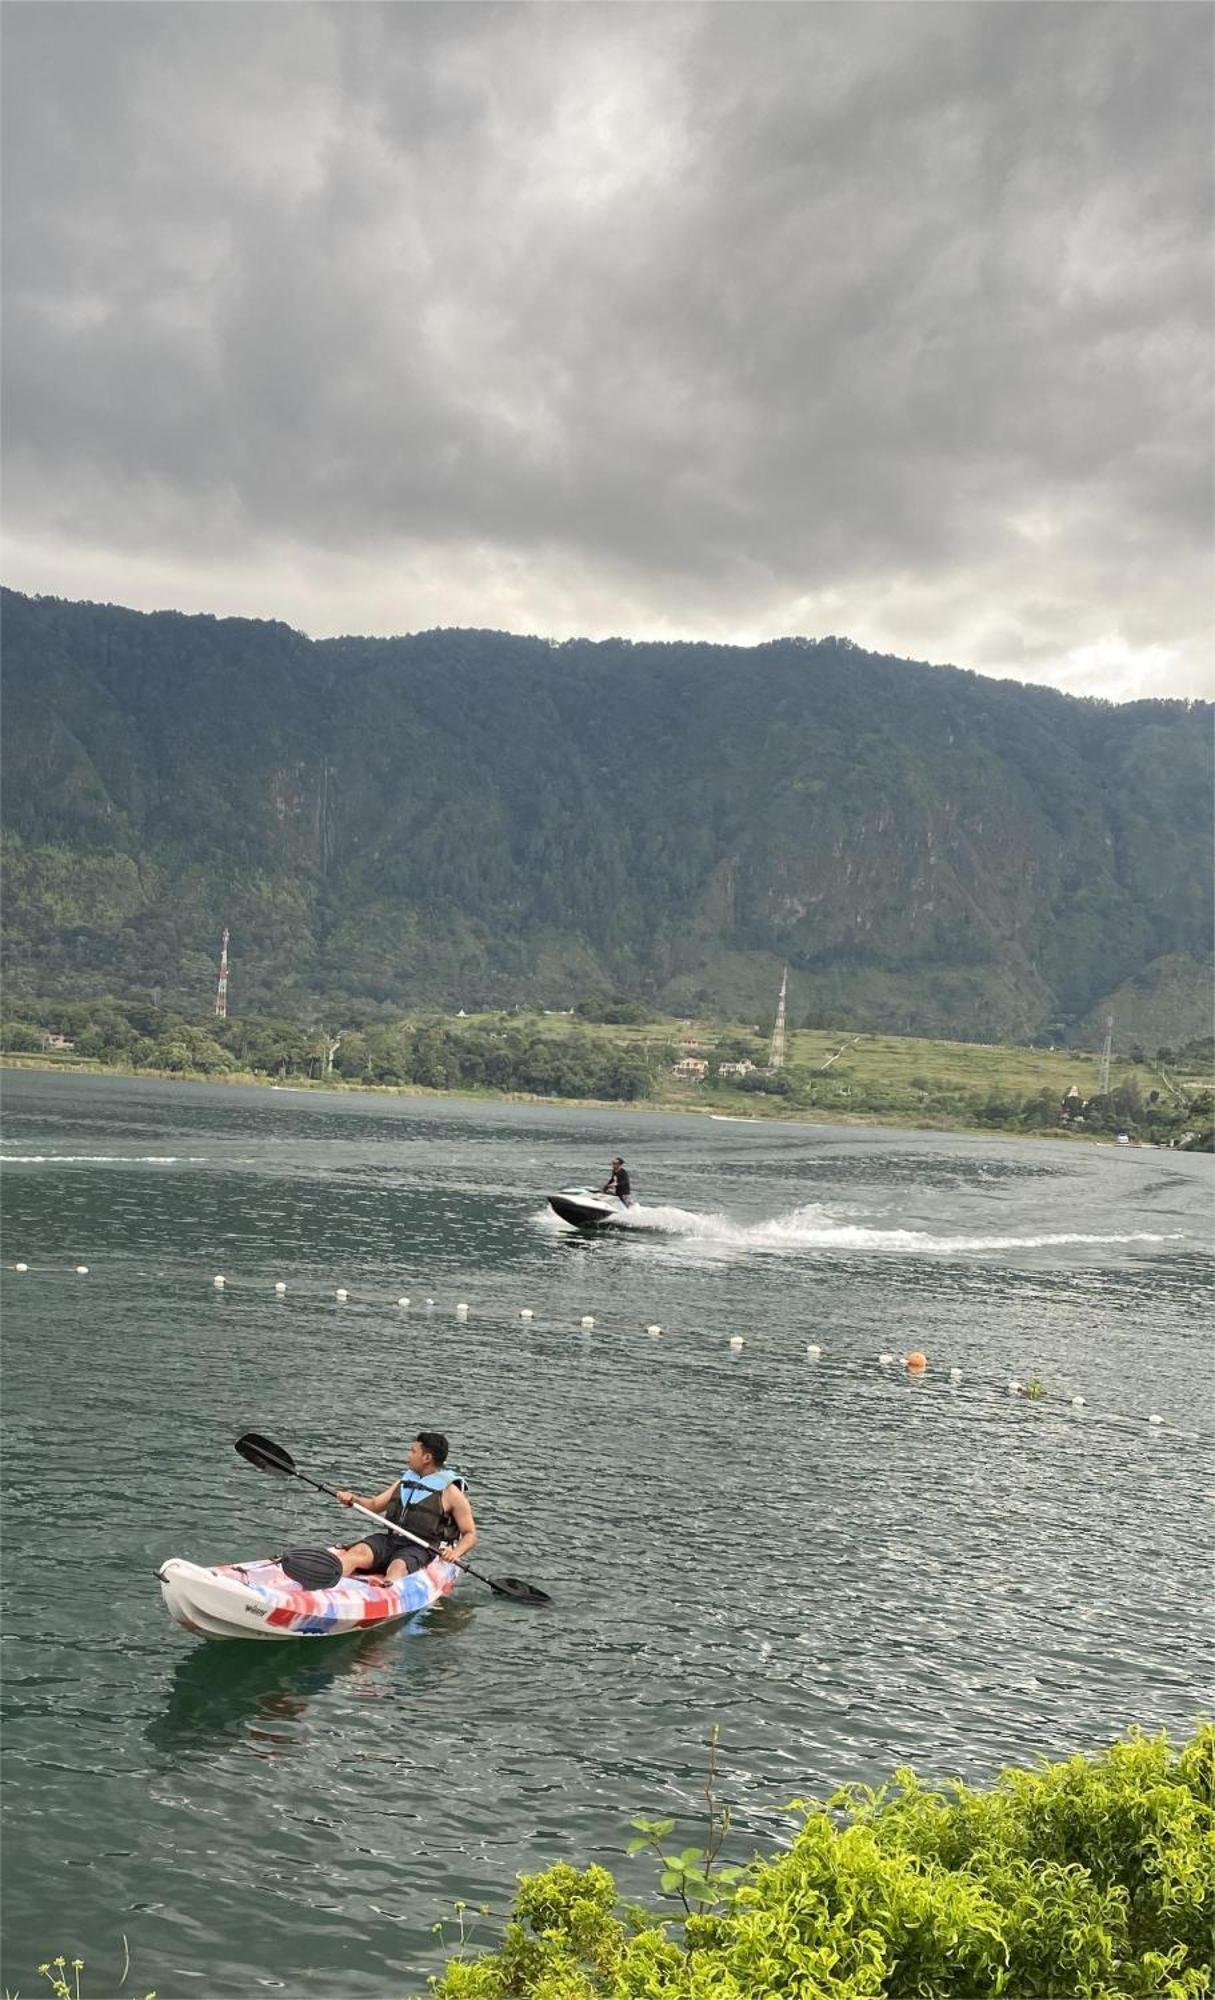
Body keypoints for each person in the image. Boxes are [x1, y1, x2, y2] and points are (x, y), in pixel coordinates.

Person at [335, 1430, 477, 1581]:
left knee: (398, 1566)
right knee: (358, 1551)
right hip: (390, 1540)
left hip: (421, 1547)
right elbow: (374, 1505)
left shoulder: (451, 1493)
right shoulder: (404, 1482)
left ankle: (387, 1588)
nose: (408, 1456)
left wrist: (455, 1553)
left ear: (426, 1458)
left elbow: (470, 1533)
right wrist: (353, 1499)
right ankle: (325, 1581)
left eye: (413, 1451)